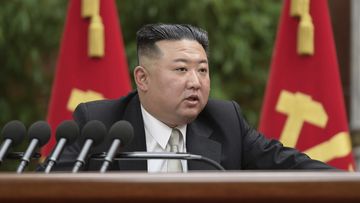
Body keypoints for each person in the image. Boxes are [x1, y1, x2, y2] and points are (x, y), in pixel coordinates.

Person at [54, 23, 333, 172]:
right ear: (142, 78)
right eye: (181, 69)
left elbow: (290, 166)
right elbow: (52, 188)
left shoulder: (226, 122)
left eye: (202, 70)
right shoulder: (100, 124)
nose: (195, 82)